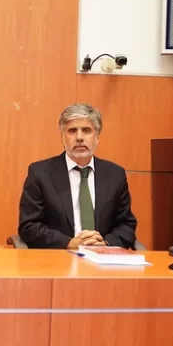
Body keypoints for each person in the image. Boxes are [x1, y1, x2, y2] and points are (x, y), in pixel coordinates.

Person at [18, 103, 137, 249]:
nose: (79, 137)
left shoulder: (115, 175)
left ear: (97, 136)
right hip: (59, 256)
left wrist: (105, 244)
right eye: (72, 131)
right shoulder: (40, 173)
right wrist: (68, 243)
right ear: (62, 137)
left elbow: (126, 225)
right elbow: (29, 226)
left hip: (103, 257)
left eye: (86, 130)